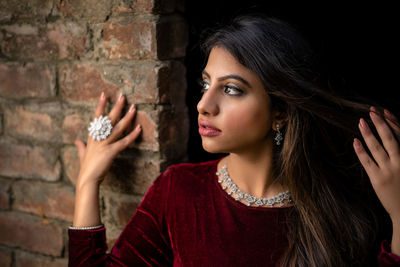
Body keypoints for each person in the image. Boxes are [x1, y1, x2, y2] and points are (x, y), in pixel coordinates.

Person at [68, 14, 400, 266]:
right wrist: (87, 182)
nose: (203, 104)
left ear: (280, 111)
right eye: (206, 84)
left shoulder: (337, 207)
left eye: (231, 89)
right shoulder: (177, 190)